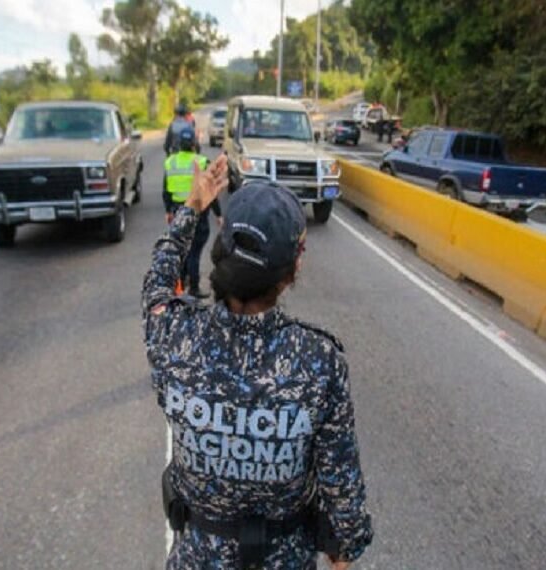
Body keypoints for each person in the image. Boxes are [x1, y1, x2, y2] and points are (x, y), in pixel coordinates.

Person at [143, 155, 374, 570]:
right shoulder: (319, 362)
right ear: (293, 268)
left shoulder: (174, 335)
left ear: (220, 250)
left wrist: (193, 206)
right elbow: (342, 489)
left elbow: (158, 279)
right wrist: (345, 552)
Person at [162, 127, 221, 298]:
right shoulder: (202, 162)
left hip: (178, 210)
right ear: (194, 144)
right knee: (194, 251)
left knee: (181, 248)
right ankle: (193, 288)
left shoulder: (170, 162)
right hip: (199, 213)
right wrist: (218, 214)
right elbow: (212, 193)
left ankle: (180, 283)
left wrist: (168, 210)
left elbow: (165, 190)